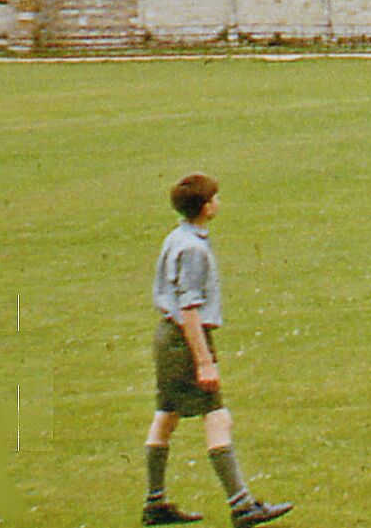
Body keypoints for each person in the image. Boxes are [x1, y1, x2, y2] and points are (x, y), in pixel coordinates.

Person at [140, 174, 292, 527]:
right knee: (217, 417)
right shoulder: (193, 249)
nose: (219, 202)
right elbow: (190, 309)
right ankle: (242, 505)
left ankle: (155, 503)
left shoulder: (177, 236)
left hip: (167, 339)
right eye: (216, 198)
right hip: (185, 340)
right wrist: (204, 361)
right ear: (206, 207)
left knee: (166, 417)